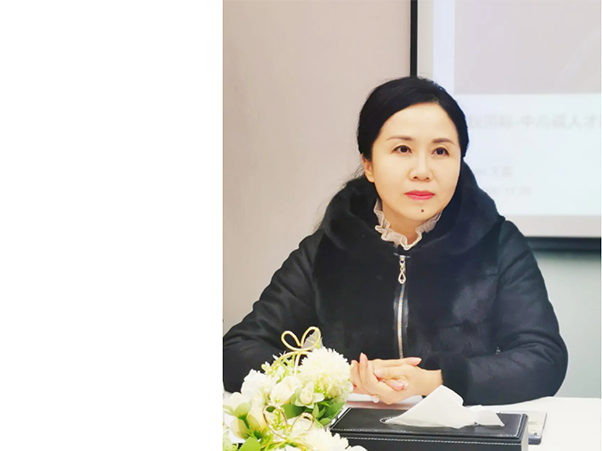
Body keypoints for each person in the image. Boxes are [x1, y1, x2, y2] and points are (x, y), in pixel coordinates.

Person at [222, 76, 568, 406]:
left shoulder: (496, 244)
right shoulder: (329, 247)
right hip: (353, 437)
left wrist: (436, 381)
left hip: (460, 433)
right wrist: (339, 378)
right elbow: (237, 350)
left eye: (441, 151)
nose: (422, 171)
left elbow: (543, 358)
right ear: (369, 164)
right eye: (402, 149)